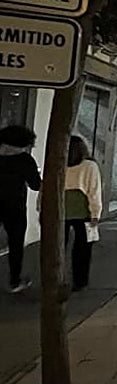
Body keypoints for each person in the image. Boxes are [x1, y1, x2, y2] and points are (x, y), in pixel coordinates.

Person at [0, 125, 41, 293]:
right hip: (14, 206)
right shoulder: (24, 160)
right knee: (15, 243)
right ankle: (14, 281)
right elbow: (36, 185)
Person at [65, 135, 102, 292]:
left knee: (59, 246)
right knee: (83, 248)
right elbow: (94, 191)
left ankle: (56, 278)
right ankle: (80, 281)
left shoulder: (56, 161)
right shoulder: (89, 166)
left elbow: (46, 185)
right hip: (83, 209)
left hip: (61, 208)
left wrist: (41, 208)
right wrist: (96, 212)